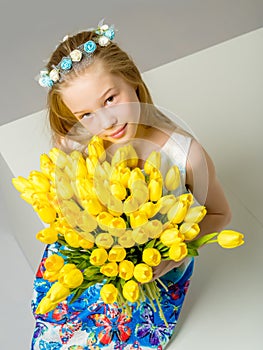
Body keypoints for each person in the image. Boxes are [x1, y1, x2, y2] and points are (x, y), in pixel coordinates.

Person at [32, 22, 231, 349]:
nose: (106, 122)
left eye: (110, 99)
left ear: (133, 81)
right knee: (60, 333)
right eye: (85, 115)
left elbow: (220, 213)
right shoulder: (85, 145)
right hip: (97, 264)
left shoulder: (183, 154)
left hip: (155, 271)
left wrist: (169, 257)